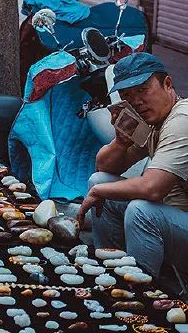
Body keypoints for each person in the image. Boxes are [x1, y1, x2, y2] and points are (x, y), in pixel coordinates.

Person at [79, 53, 188, 281]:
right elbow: (104, 168)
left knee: (141, 211)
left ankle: (139, 291)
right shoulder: (154, 122)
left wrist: (99, 192)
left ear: (167, 84)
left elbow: (152, 188)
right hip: (175, 219)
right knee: (100, 182)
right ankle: (110, 274)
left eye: (143, 90)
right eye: (127, 95)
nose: (137, 101)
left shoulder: (181, 120)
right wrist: (120, 142)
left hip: (178, 221)